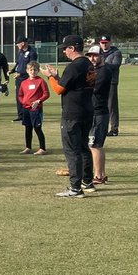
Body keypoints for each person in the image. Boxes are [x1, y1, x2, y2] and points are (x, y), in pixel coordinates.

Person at [44, 34, 95, 198]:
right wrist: (58, 77)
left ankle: (75, 188)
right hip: (87, 110)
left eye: (66, 48)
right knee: (83, 148)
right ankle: (87, 182)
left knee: (72, 151)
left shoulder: (74, 66)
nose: (64, 51)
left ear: (73, 48)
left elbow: (59, 90)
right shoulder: (87, 63)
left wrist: (51, 77)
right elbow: (72, 84)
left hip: (72, 113)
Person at [87, 45, 113, 185]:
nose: (92, 58)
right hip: (96, 111)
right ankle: (101, 174)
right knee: (97, 145)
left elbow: (94, 89)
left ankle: (97, 176)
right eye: (90, 55)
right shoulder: (95, 70)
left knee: (94, 145)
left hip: (98, 112)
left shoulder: (104, 71)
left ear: (101, 56)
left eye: (95, 55)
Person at [16, 61, 50, 155]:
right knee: (28, 128)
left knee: (37, 128)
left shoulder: (41, 81)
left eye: (35, 70)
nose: (32, 71)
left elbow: (46, 94)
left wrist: (39, 101)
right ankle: (28, 147)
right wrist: (23, 102)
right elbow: (20, 95)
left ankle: (42, 148)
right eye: (30, 70)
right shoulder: (24, 83)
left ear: (38, 71)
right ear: (27, 71)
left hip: (36, 109)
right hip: (26, 108)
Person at [97, 35, 122, 136]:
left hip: (111, 81)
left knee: (111, 106)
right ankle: (102, 128)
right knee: (99, 104)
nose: (104, 44)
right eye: (102, 43)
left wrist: (102, 64)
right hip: (99, 81)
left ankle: (114, 129)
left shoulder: (116, 52)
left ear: (110, 42)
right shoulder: (98, 52)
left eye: (106, 42)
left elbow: (115, 65)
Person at [10, 37, 37, 123]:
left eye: (18, 43)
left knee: (28, 97)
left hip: (26, 78)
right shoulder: (21, 52)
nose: (17, 45)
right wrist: (13, 70)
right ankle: (20, 115)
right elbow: (18, 63)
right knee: (19, 96)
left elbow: (32, 67)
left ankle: (29, 114)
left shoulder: (32, 53)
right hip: (19, 78)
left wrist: (21, 74)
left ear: (23, 43)